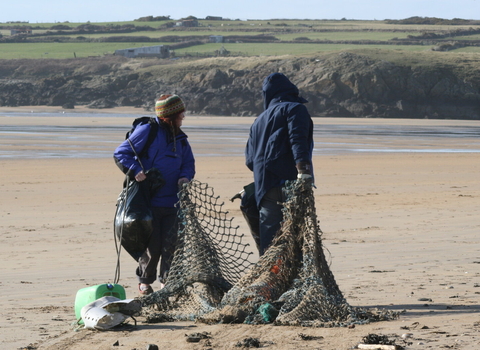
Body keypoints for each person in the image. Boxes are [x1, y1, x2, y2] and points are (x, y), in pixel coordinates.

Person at [114, 94, 195, 295]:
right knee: (153, 246)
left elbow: (188, 163)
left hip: (174, 202)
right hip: (148, 201)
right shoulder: (147, 130)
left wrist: (185, 177)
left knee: (172, 244)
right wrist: (135, 170)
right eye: (180, 114)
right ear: (169, 116)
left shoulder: (181, 137)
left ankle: (166, 284)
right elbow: (121, 153)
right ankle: (144, 282)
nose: (183, 117)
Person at [245, 73, 314, 256]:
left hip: (265, 188)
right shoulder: (295, 109)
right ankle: (290, 280)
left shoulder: (257, 121)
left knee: (269, 240)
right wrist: (303, 170)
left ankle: (268, 281)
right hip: (290, 183)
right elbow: (298, 140)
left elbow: (250, 160)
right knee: (295, 237)